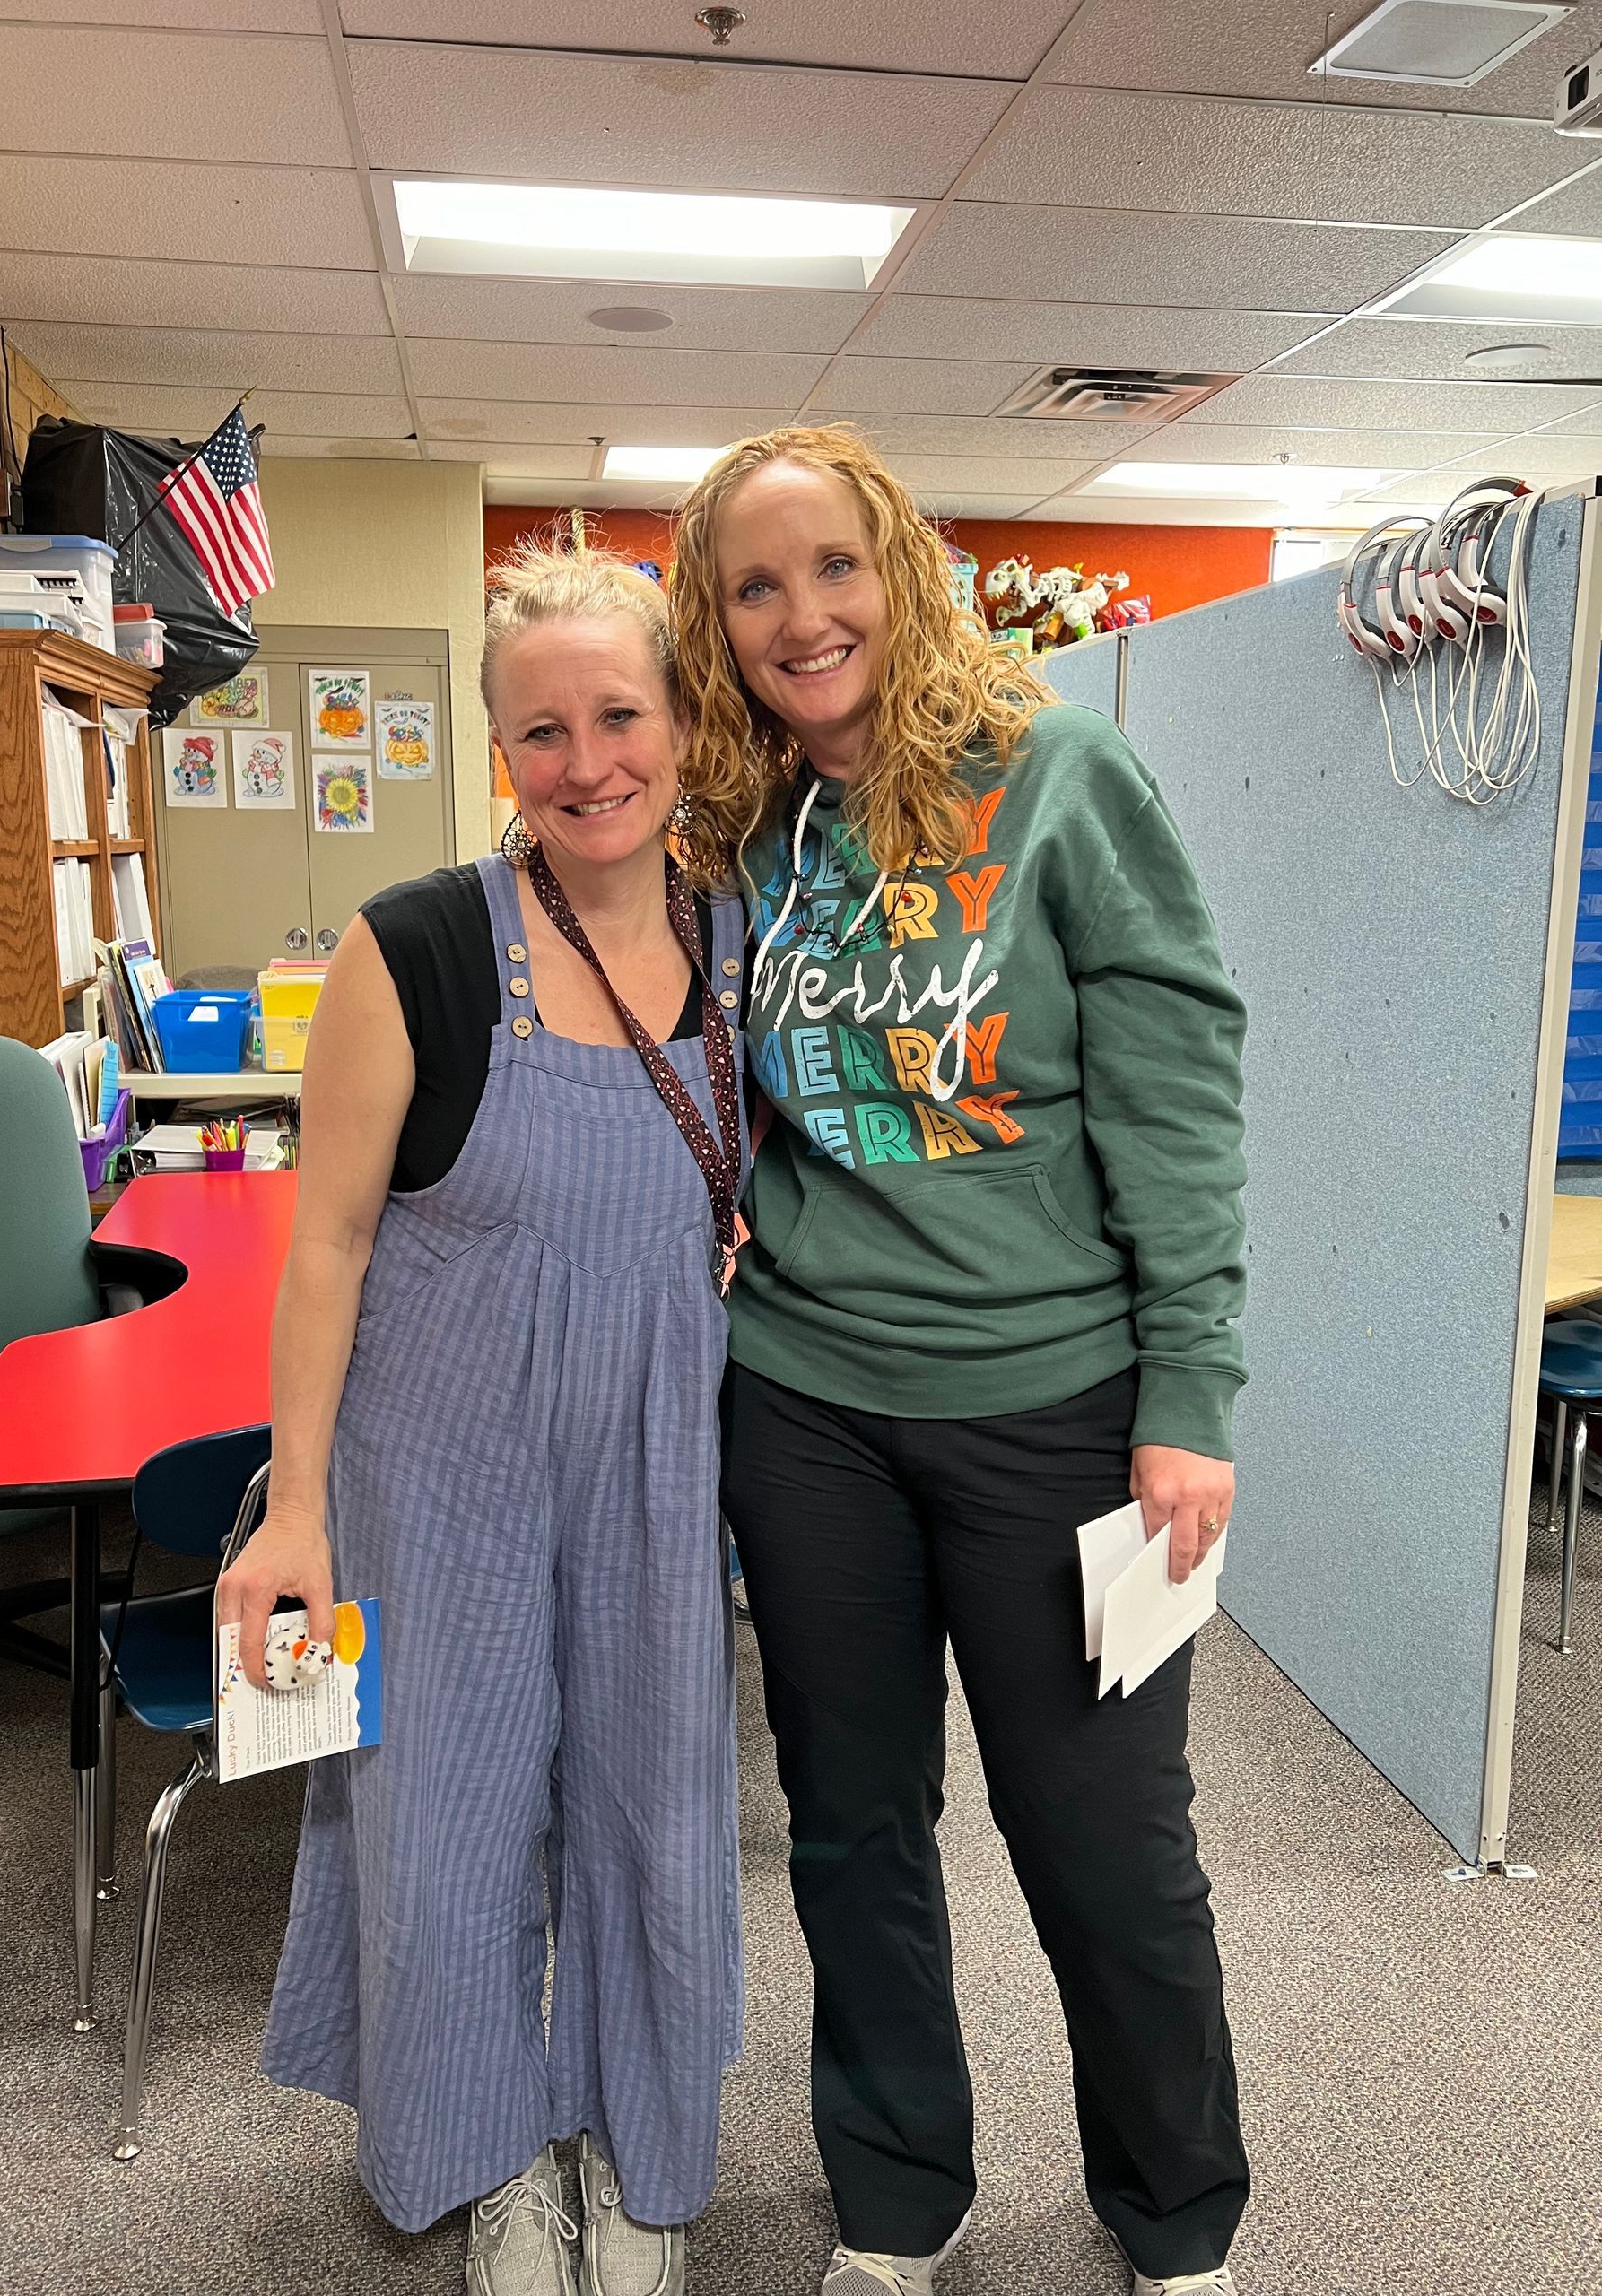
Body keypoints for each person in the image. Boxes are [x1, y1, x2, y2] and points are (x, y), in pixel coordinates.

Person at [670, 427, 1250, 2296]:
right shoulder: (744, 824)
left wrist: (1192, 1397)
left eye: (832, 566)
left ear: (901, 569)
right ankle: (899, 2198)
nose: (801, 614)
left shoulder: (1061, 773)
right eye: (755, 584)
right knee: (851, 1828)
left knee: (1099, 1841)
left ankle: (1177, 2218)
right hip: (812, 1407)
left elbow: (1176, 1103)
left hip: (1056, 1409)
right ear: (717, 618)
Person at [218, 547, 748, 2296]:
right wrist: (295, 1512)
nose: (586, 761)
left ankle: (641, 2143)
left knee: (658, 1803)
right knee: (438, 1810)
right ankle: (488, 2150)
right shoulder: (422, 946)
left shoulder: (746, 938)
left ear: (683, 720)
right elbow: (330, 1248)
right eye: (541, 729)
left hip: (664, 1447)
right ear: (496, 747)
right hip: (435, 1454)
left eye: (619, 714)